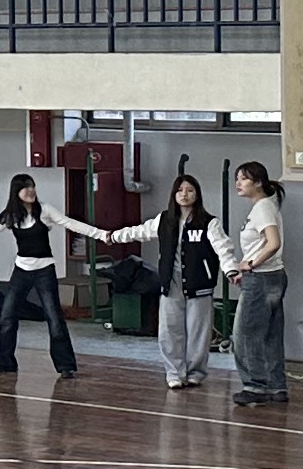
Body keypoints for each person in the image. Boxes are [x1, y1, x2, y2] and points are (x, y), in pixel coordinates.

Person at [0, 173, 109, 380]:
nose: (30, 190)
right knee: (7, 315)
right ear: (16, 192)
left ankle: (65, 365)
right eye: (25, 187)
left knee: (54, 317)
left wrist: (101, 234)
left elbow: (70, 223)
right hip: (21, 271)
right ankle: (4, 361)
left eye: (32, 186)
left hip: (44, 271)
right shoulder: (11, 216)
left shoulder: (45, 210)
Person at [122, 171, 226, 388]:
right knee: (169, 329)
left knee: (198, 331)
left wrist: (232, 270)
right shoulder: (164, 220)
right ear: (173, 194)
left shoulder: (209, 222)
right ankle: (174, 373)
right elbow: (139, 232)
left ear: (197, 194)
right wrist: (112, 236)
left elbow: (223, 248)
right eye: (180, 190)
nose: (184, 194)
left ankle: (195, 371)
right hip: (171, 282)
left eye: (189, 190)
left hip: (199, 283)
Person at [227, 159, 290, 408]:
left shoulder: (263, 208)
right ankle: (276, 385)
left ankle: (255, 385)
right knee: (270, 334)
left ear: (258, 182)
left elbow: (273, 243)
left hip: (262, 278)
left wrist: (249, 264)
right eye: (237, 178)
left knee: (245, 334)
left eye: (244, 178)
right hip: (273, 276)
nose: (238, 183)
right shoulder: (266, 206)